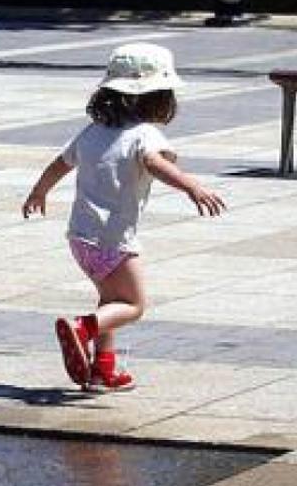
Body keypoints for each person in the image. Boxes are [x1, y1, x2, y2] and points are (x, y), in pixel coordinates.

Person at [22, 43, 226, 393]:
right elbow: (154, 163)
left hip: (80, 239)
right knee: (133, 305)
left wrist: (38, 193)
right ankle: (83, 329)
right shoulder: (145, 135)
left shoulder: (91, 131)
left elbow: (60, 163)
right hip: (113, 240)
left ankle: (103, 369)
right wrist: (191, 186)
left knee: (110, 300)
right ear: (159, 98)